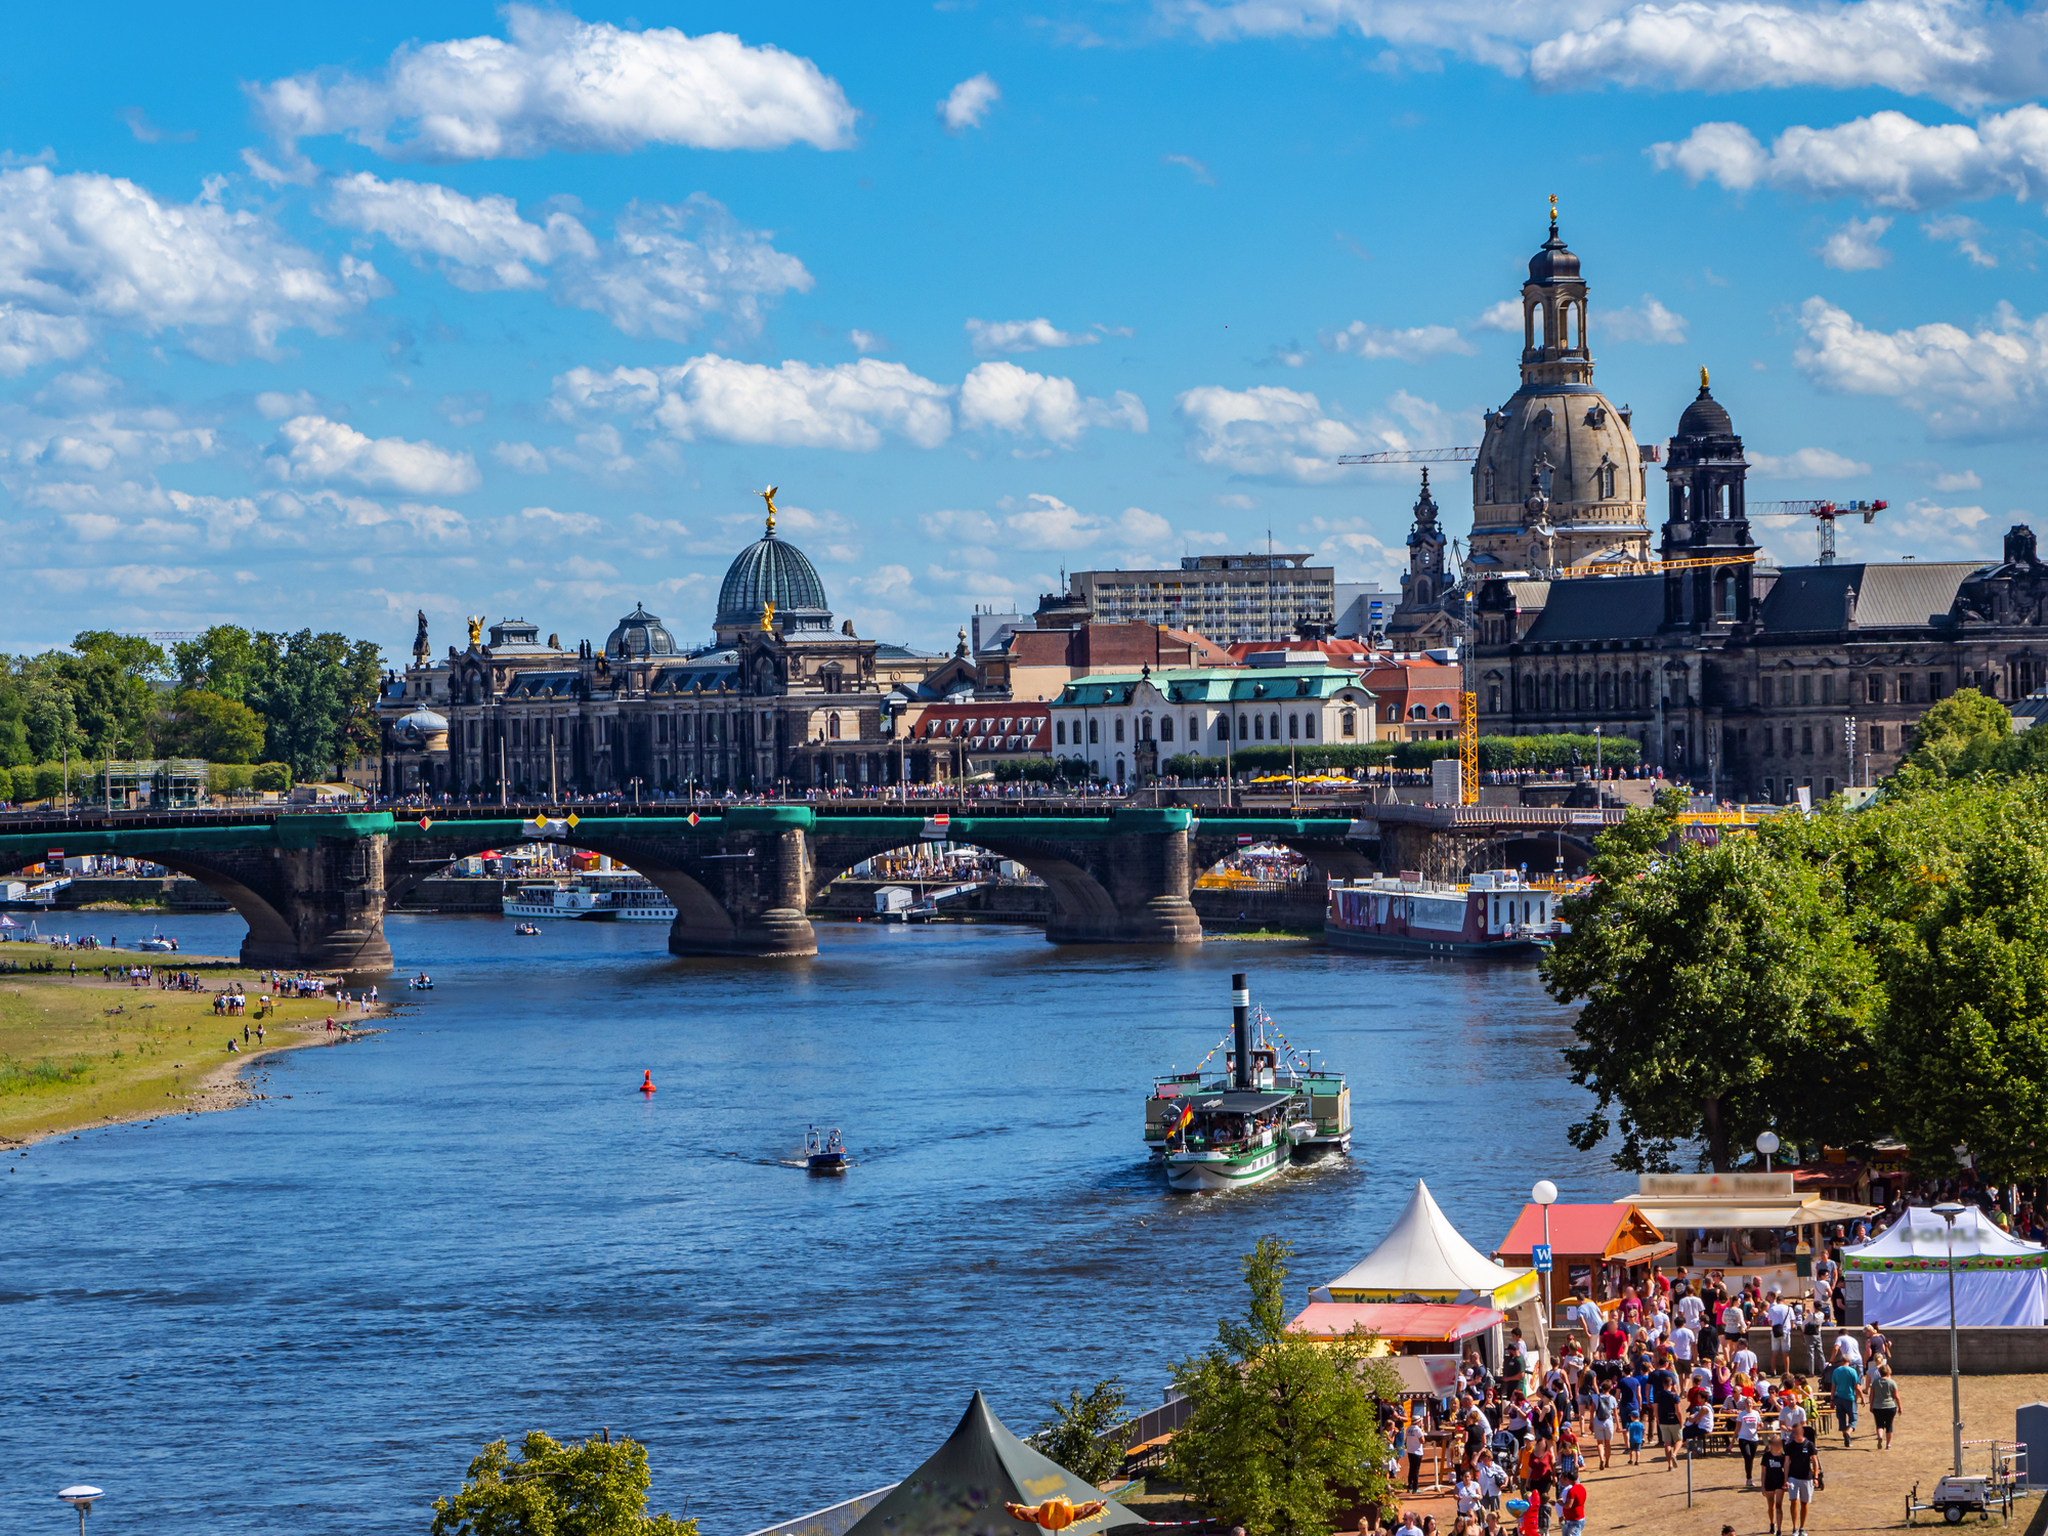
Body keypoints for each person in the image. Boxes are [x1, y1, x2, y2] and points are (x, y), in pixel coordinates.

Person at [1784, 1426, 1822, 1536]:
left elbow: (1815, 1462)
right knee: (1793, 1500)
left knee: (1804, 1503)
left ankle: (1802, 1527)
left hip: (1806, 1477)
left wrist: (1815, 1477)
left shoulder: (1809, 1445)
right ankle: (1794, 1527)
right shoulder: (1789, 1446)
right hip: (1793, 1477)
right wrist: (1785, 1479)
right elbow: (1786, 1463)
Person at [1759, 1431, 1788, 1536]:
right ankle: (1772, 1523)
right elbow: (1763, 1472)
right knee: (1771, 1505)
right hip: (1769, 1482)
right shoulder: (1766, 1456)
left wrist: (1785, 1482)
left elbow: (1786, 1470)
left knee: (1779, 1505)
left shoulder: (1783, 1456)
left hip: (1779, 1482)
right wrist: (1762, 1486)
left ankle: (1779, 1530)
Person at [1830, 1354, 1863, 1447]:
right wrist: (1862, 1398)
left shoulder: (1836, 1371)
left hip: (1838, 1398)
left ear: (1841, 1361)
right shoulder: (1852, 1371)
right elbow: (1857, 1386)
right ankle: (1848, 1433)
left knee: (1841, 1419)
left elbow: (1833, 1387)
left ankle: (1845, 1436)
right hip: (1849, 1398)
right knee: (1853, 1419)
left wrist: (1831, 1399)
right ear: (1849, 1362)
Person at [1869, 1364, 1901, 1450]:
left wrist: (1871, 1405)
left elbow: (1872, 1395)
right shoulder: (1892, 1382)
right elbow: (1896, 1396)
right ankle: (1888, 1444)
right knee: (1889, 1425)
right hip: (1890, 1406)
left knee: (1879, 1425)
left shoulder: (1875, 1382)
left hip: (1878, 1406)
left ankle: (1880, 1436)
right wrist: (1900, 1407)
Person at [1736, 1398, 1763, 1487]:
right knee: (1747, 1456)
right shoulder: (1741, 1415)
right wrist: (1732, 1441)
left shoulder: (1756, 1413)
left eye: (1750, 1403)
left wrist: (1760, 1426)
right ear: (1745, 1404)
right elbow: (1737, 1428)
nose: (1749, 1405)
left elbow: (1759, 1424)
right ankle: (1749, 1478)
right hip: (1743, 1438)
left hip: (1754, 1438)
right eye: (1747, 1403)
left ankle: (1749, 1478)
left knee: (1751, 1459)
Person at [1406, 1415, 1427, 1493]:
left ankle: (1410, 1486)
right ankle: (1415, 1488)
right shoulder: (1418, 1430)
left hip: (1410, 1451)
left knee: (1411, 1469)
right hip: (1417, 1452)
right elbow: (1422, 1441)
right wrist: (1423, 1433)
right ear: (1418, 1422)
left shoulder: (1408, 1429)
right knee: (1416, 1470)